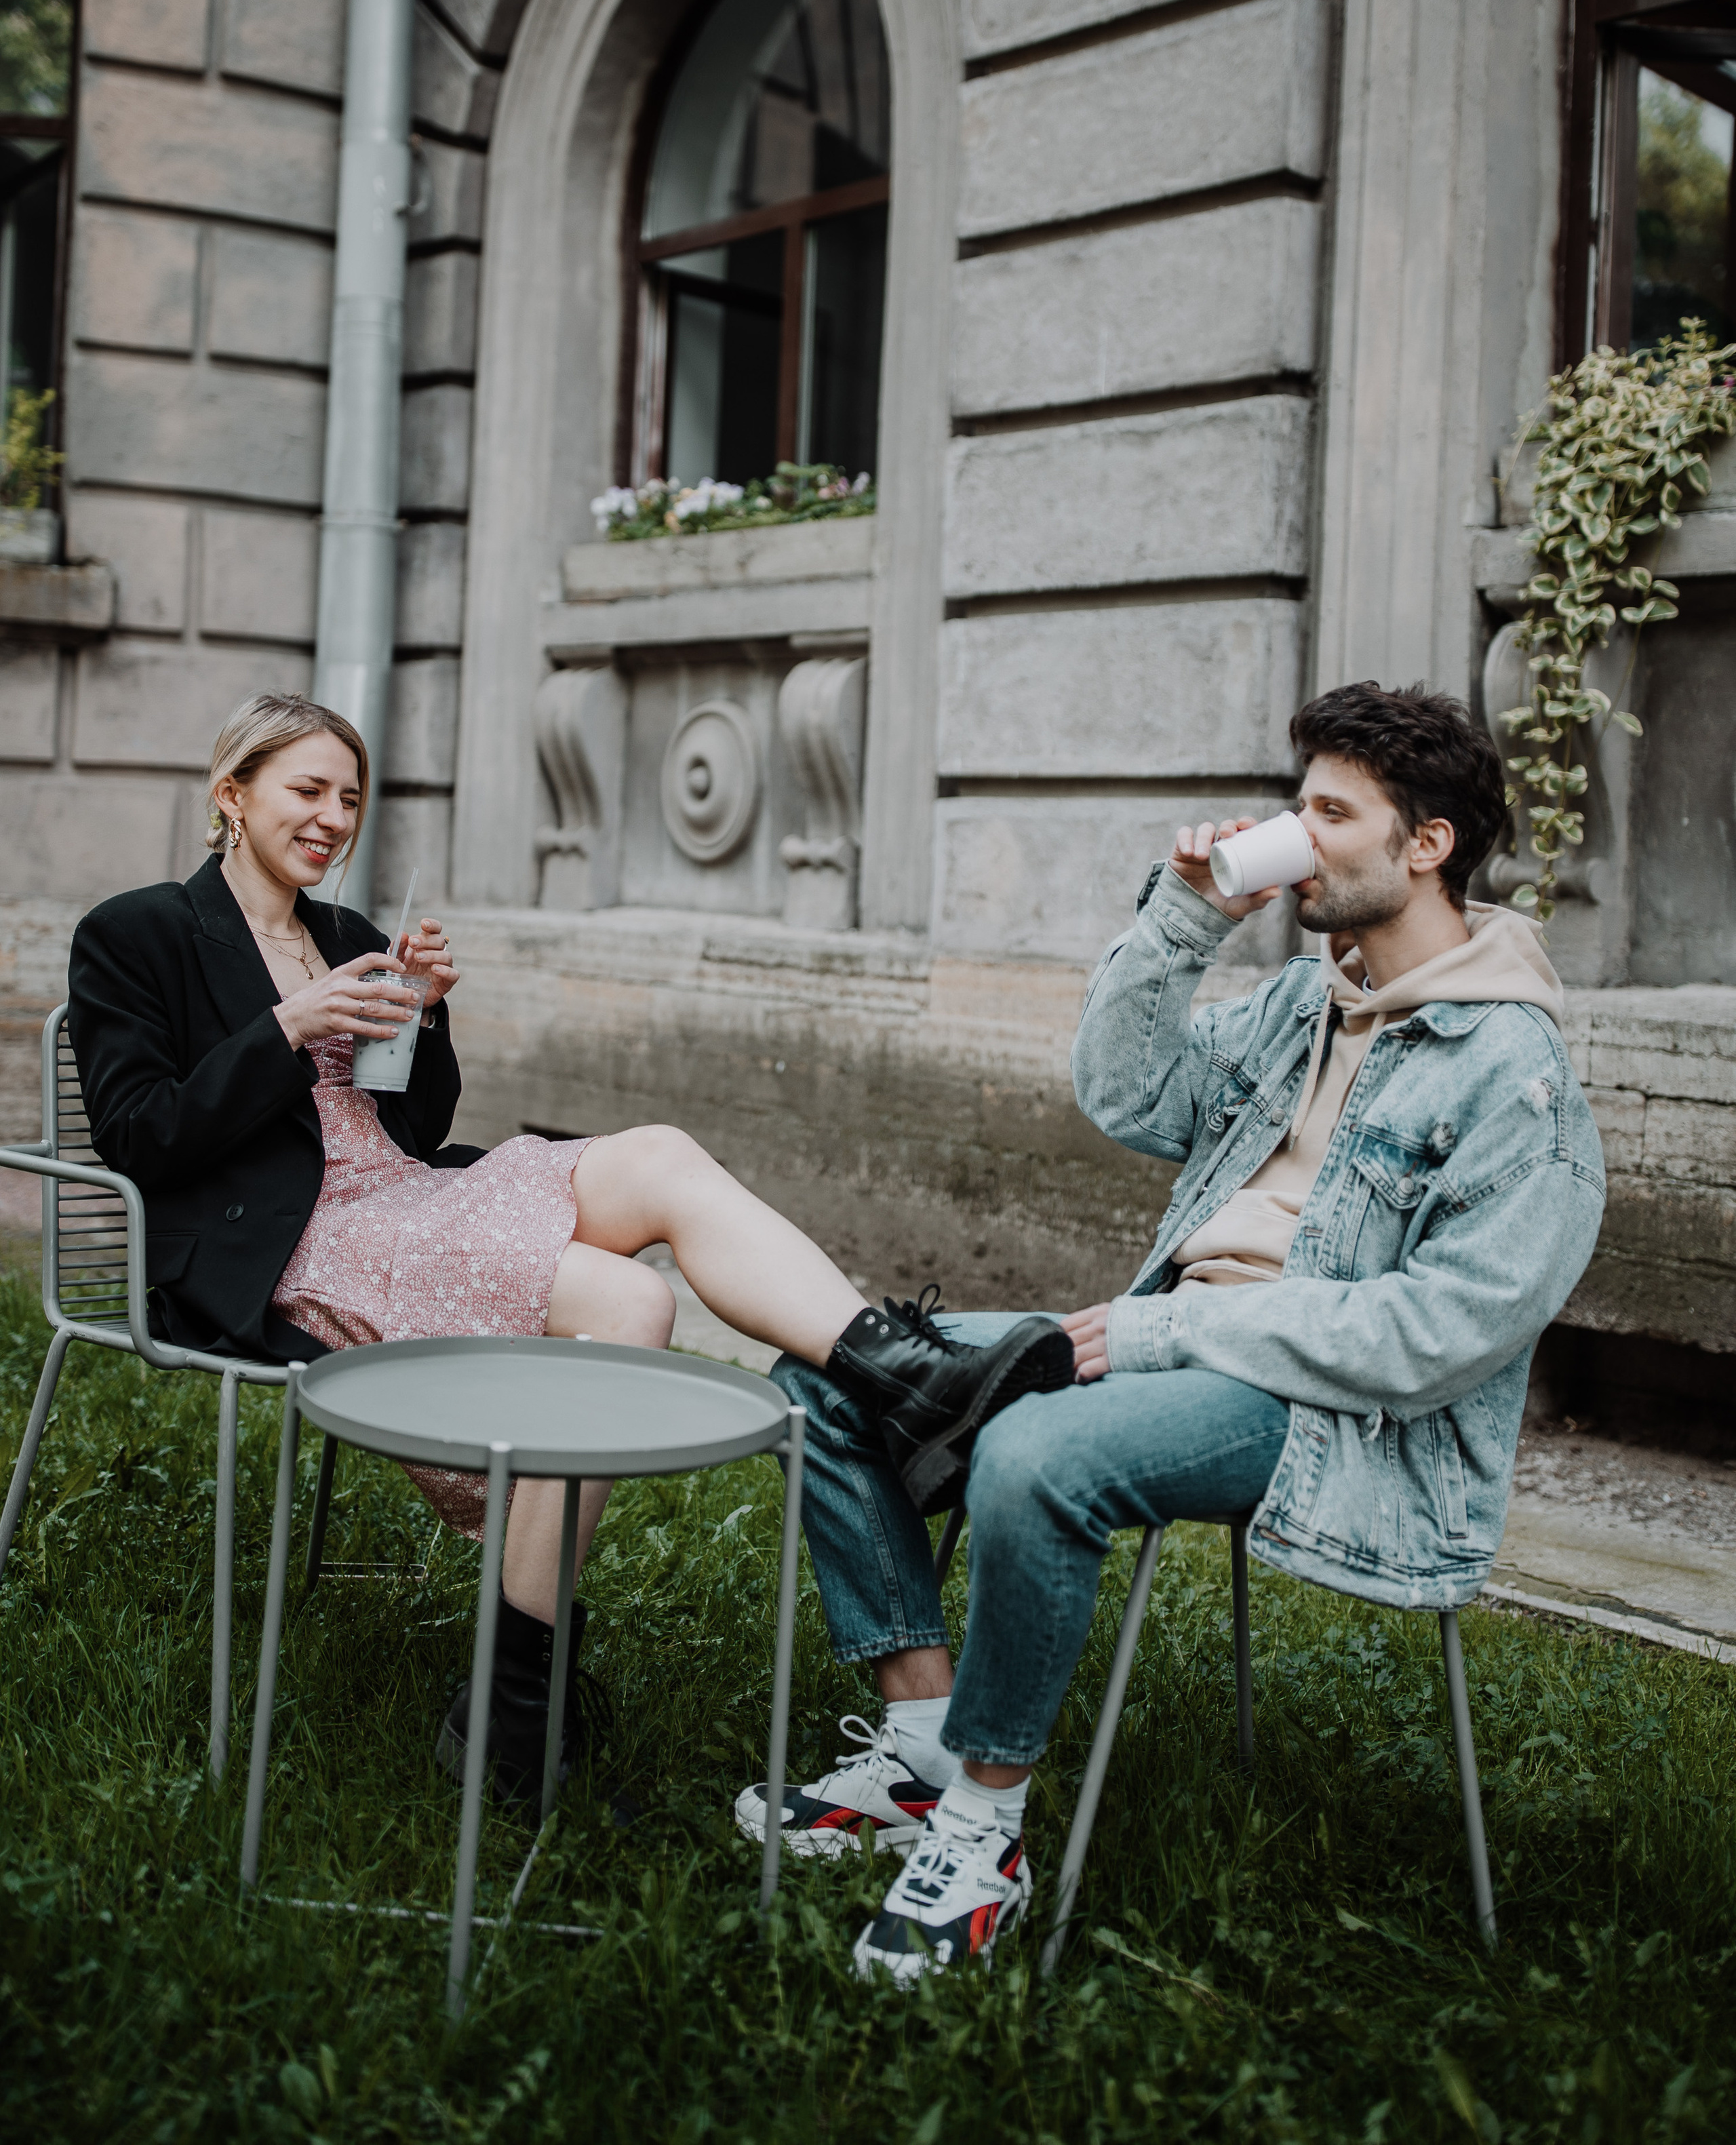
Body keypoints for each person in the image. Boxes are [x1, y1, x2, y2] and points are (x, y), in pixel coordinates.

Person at [737, 682, 1605, 1982]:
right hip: (1177, 1335)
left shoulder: (1517, 1078)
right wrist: (1186, 919)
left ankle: (983, 1834)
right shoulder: (1307, 1000)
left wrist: (1170, 1338)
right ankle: (922, 1746)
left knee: (1038, 1457)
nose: (1297, 834)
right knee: (827, 1372)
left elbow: (1442, 1332)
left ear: (1428, 844)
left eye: (1332, 814)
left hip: (1336, 1413)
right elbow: (1127, 1093)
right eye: (1301, 805)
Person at [68, 692, 1071, 1809]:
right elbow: (139, 1135)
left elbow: (411, 1129)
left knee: (662, 1157)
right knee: (632, 1309)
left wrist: (425, 1016)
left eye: (350, 797)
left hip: (408, 1196)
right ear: (233, 793)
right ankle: (517, 1713)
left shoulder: (344, 936)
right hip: (292, 1245)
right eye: (309, 790)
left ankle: (903, 1378)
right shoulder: (137, 932)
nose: (334, 818)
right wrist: (286, 1029)